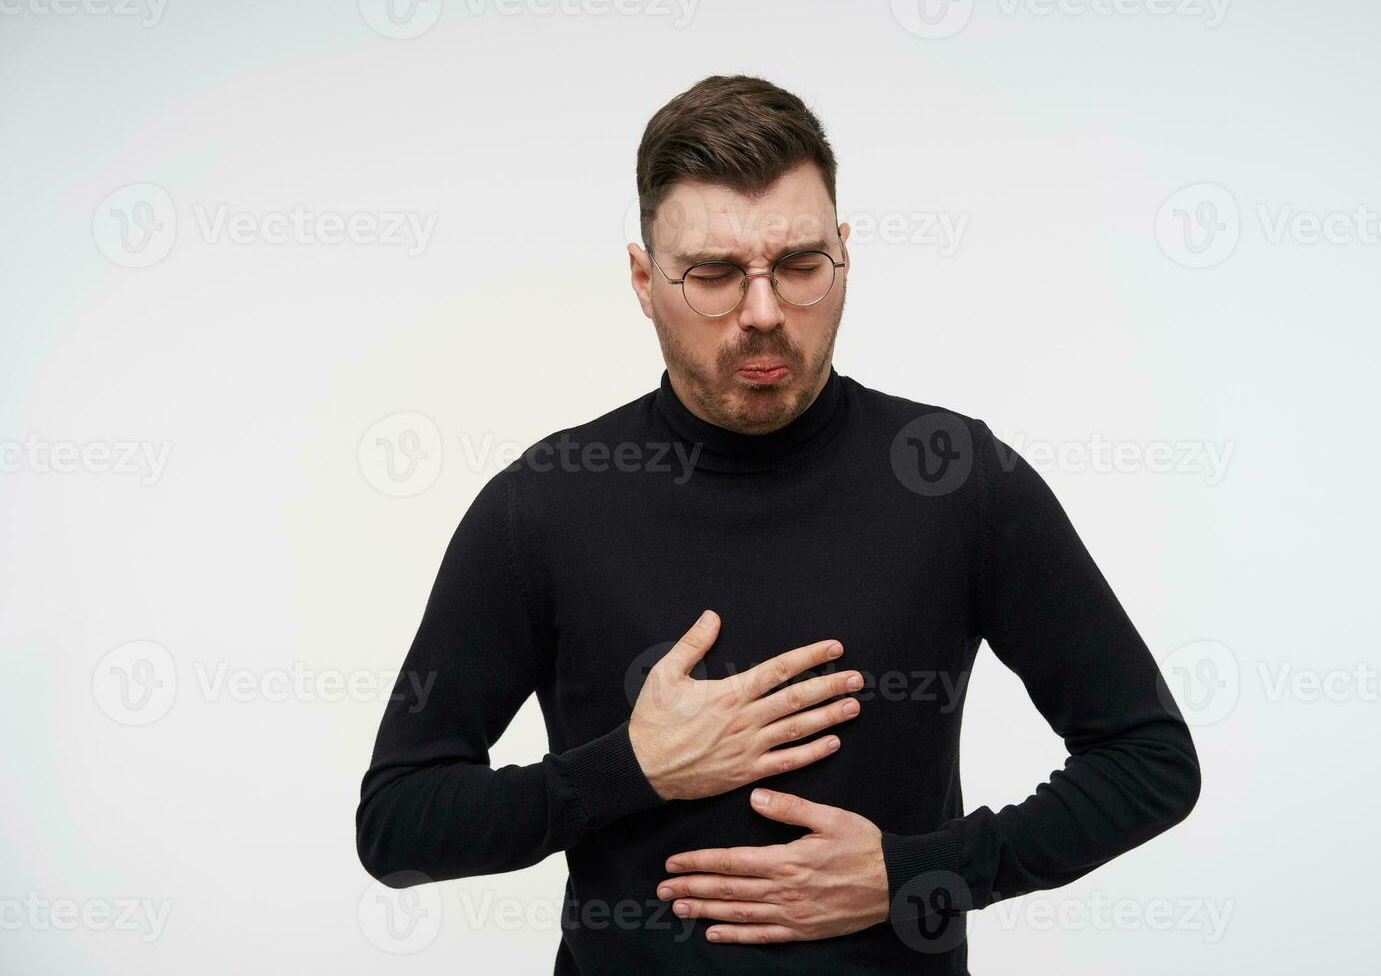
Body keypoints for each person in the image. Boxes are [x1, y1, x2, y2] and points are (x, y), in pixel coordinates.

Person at [355, 73, 1201, 975]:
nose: (763, 314)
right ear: (644, 281)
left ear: (844, 252)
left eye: (799, 267)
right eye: (713, 275)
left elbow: (1148, 760)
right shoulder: (545, 505)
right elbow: (399, 822)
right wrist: (631, 769)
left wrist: (919, 874)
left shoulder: (959, 480)